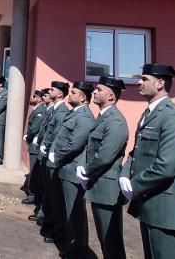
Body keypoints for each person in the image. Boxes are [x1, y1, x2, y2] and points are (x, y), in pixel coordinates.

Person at [119, 64, 175, 259]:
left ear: (160, 83)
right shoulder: (149, 114)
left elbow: (166, 166)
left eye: (144, 79)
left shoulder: (172, 116)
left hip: (164, 209)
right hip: (148, 204)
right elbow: (137, 152)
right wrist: (124, 175)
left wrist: (133, 185)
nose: (139, 83)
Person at [77, 75, 129, 259]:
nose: (95, 92)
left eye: (99, 90)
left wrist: (86, 171)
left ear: (111, 97)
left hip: (107, 188)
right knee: (104, 238)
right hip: (98, 184)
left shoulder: (115, 120)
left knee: (111, 241)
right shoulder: (104, 117)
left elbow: (105, 156)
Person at [48, 81, 95, 257]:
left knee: (75, 214)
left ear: (83, 97)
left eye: (73, 93)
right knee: (65, 210)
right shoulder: (75, 114)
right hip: (64, 168)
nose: (70, 95)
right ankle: (69, 244)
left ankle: (78, 250)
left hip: (72, 171)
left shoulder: (84, 117)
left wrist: (56, 156)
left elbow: (74, 144)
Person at [38, 80, 70, 243]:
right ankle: (49, 222)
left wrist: (48, 148)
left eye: (52, 89)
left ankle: (55, 229)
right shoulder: (54, 110)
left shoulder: (62, 111)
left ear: (59, 94)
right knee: (48, 194)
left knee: (54, 197)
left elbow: (58, 136)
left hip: (52, 158)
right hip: (46, 155)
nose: (49, 91)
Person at [22, 89, 46, 204]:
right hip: (33, 143)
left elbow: (34, 128)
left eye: (34, 96)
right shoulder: (36, 109)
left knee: (34, 171)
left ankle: (32, 196)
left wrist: (27, 136)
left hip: (35, 145)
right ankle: (32, 194)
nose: (31, 98)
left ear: (40, 99)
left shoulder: (40, 110)